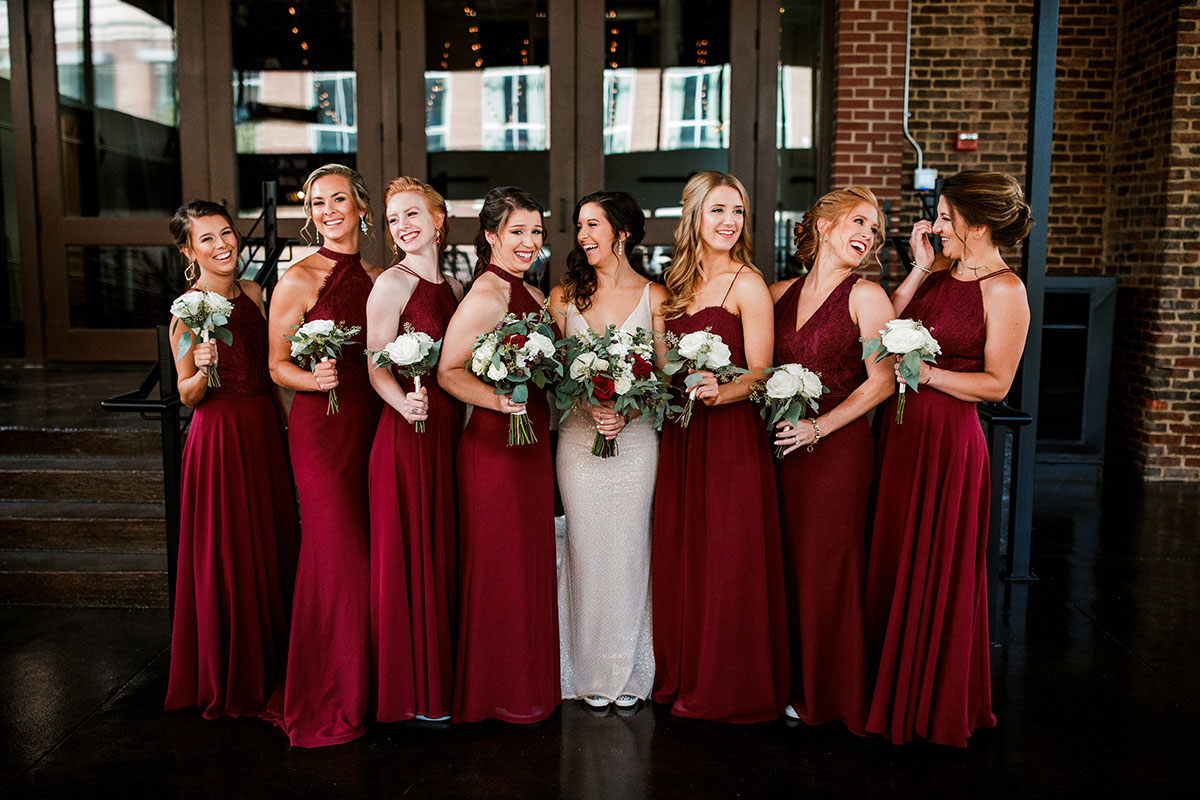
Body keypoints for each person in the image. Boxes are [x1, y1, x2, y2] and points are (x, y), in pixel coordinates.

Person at [864, 170, 1032, 747]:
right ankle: (884, 684)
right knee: (890, 553)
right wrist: (917, 263)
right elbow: (886, 319)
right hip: (901, 432)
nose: (935, 225)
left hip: (948, 442)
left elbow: (996, 386)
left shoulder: (1006, 290)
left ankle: (926, 698)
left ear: (977, 225)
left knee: (936, 565)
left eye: (944, 217)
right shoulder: (938, 269)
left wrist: (930, 373)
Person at [651, 171, 789, 722]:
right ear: (695, 217)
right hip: (684, 435)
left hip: (731, 434)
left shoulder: (748, 284)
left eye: (738, 212)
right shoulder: (674, 285)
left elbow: (762, 371)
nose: (730, 222)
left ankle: (730, 681)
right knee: (689, 549)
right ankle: (686, 669)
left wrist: (720, 388)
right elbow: (663, 363)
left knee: (729, 554)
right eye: (718, 211)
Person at [163, 201, 299, 719]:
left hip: (263, 429)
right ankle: (234, 671)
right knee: (232, 549)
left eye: (227, 234)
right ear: (188, 252)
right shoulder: (186, 309)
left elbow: (271, 369)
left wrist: (291, 431)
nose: (223, 247)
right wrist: (201, 368)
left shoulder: (255, 293)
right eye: (207, 240)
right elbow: (187, 397)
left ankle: (276, 661)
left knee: (271, 542)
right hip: (220, 439)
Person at [768, 187, 895, 734]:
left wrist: (819, 426)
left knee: (828, 568)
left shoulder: (867, 297)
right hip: (780, 449)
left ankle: (829, 693)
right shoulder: (776, 293)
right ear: (822, 226)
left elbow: (884, 381)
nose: (868, 235)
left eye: (875, 230)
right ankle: (781, 682)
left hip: (836, 452)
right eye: (859, 221)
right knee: (786, 565)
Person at [265, 163, 383, 747]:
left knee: (373, 552)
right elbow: (275, 364)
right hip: (322, 427)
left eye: (339, 199)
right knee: (337, 551)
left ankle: (374, 684)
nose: (328, 211)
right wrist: (313, 381)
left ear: (362, 207)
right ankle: (328, 691)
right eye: (317, 203)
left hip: (375, 426)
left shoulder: (383, 274)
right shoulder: (298, 277)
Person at [439, 187, 559, 724]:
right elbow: (447, 371)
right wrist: (498, 400)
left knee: (526, 564)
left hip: (530, 446)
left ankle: (525, 684)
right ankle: (495, 692)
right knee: (502, 568)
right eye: (518, 232)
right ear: (491, 236)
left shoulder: (531, 292)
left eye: (536, 232)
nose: (530, 242)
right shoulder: (488, 295)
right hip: (496, 450)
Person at [548, 192, 667, 711]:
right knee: (585, 549)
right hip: (578, 442)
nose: (582, 235)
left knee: (629, 548)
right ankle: (585, 668)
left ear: (622, 233)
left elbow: (664, 378)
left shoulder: (655, 297)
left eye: (592, 224)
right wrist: (587, 404)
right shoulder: (563, 297)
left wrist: (629, 410)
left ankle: (630, 668)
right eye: (579, 226)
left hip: (636, 445)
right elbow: (551, 374)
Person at [366, 177, 463, 723]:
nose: (402, 227)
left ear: (438, 219)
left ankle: (442, 681)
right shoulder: (391, 283)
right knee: (412, 551)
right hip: (409, 431)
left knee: (440, 546)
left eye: (411, 215)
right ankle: (413, 691)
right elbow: (376, 361)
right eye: (394, 220)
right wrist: (403, 404)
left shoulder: (452, 285)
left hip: (447, 429)